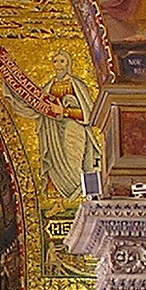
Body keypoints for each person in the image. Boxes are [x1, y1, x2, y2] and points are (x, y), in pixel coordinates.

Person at [32, 52, 101, 200]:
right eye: (55, 61)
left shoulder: (77, 85)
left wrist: (64, 111)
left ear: (68, 63)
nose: (58, 65)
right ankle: (60, 200)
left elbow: (87, 115)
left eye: (61, 61)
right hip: (54, 134)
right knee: (57, 165)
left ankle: (82, 196)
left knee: (74, 161)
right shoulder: (48, 87)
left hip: (74, 129)